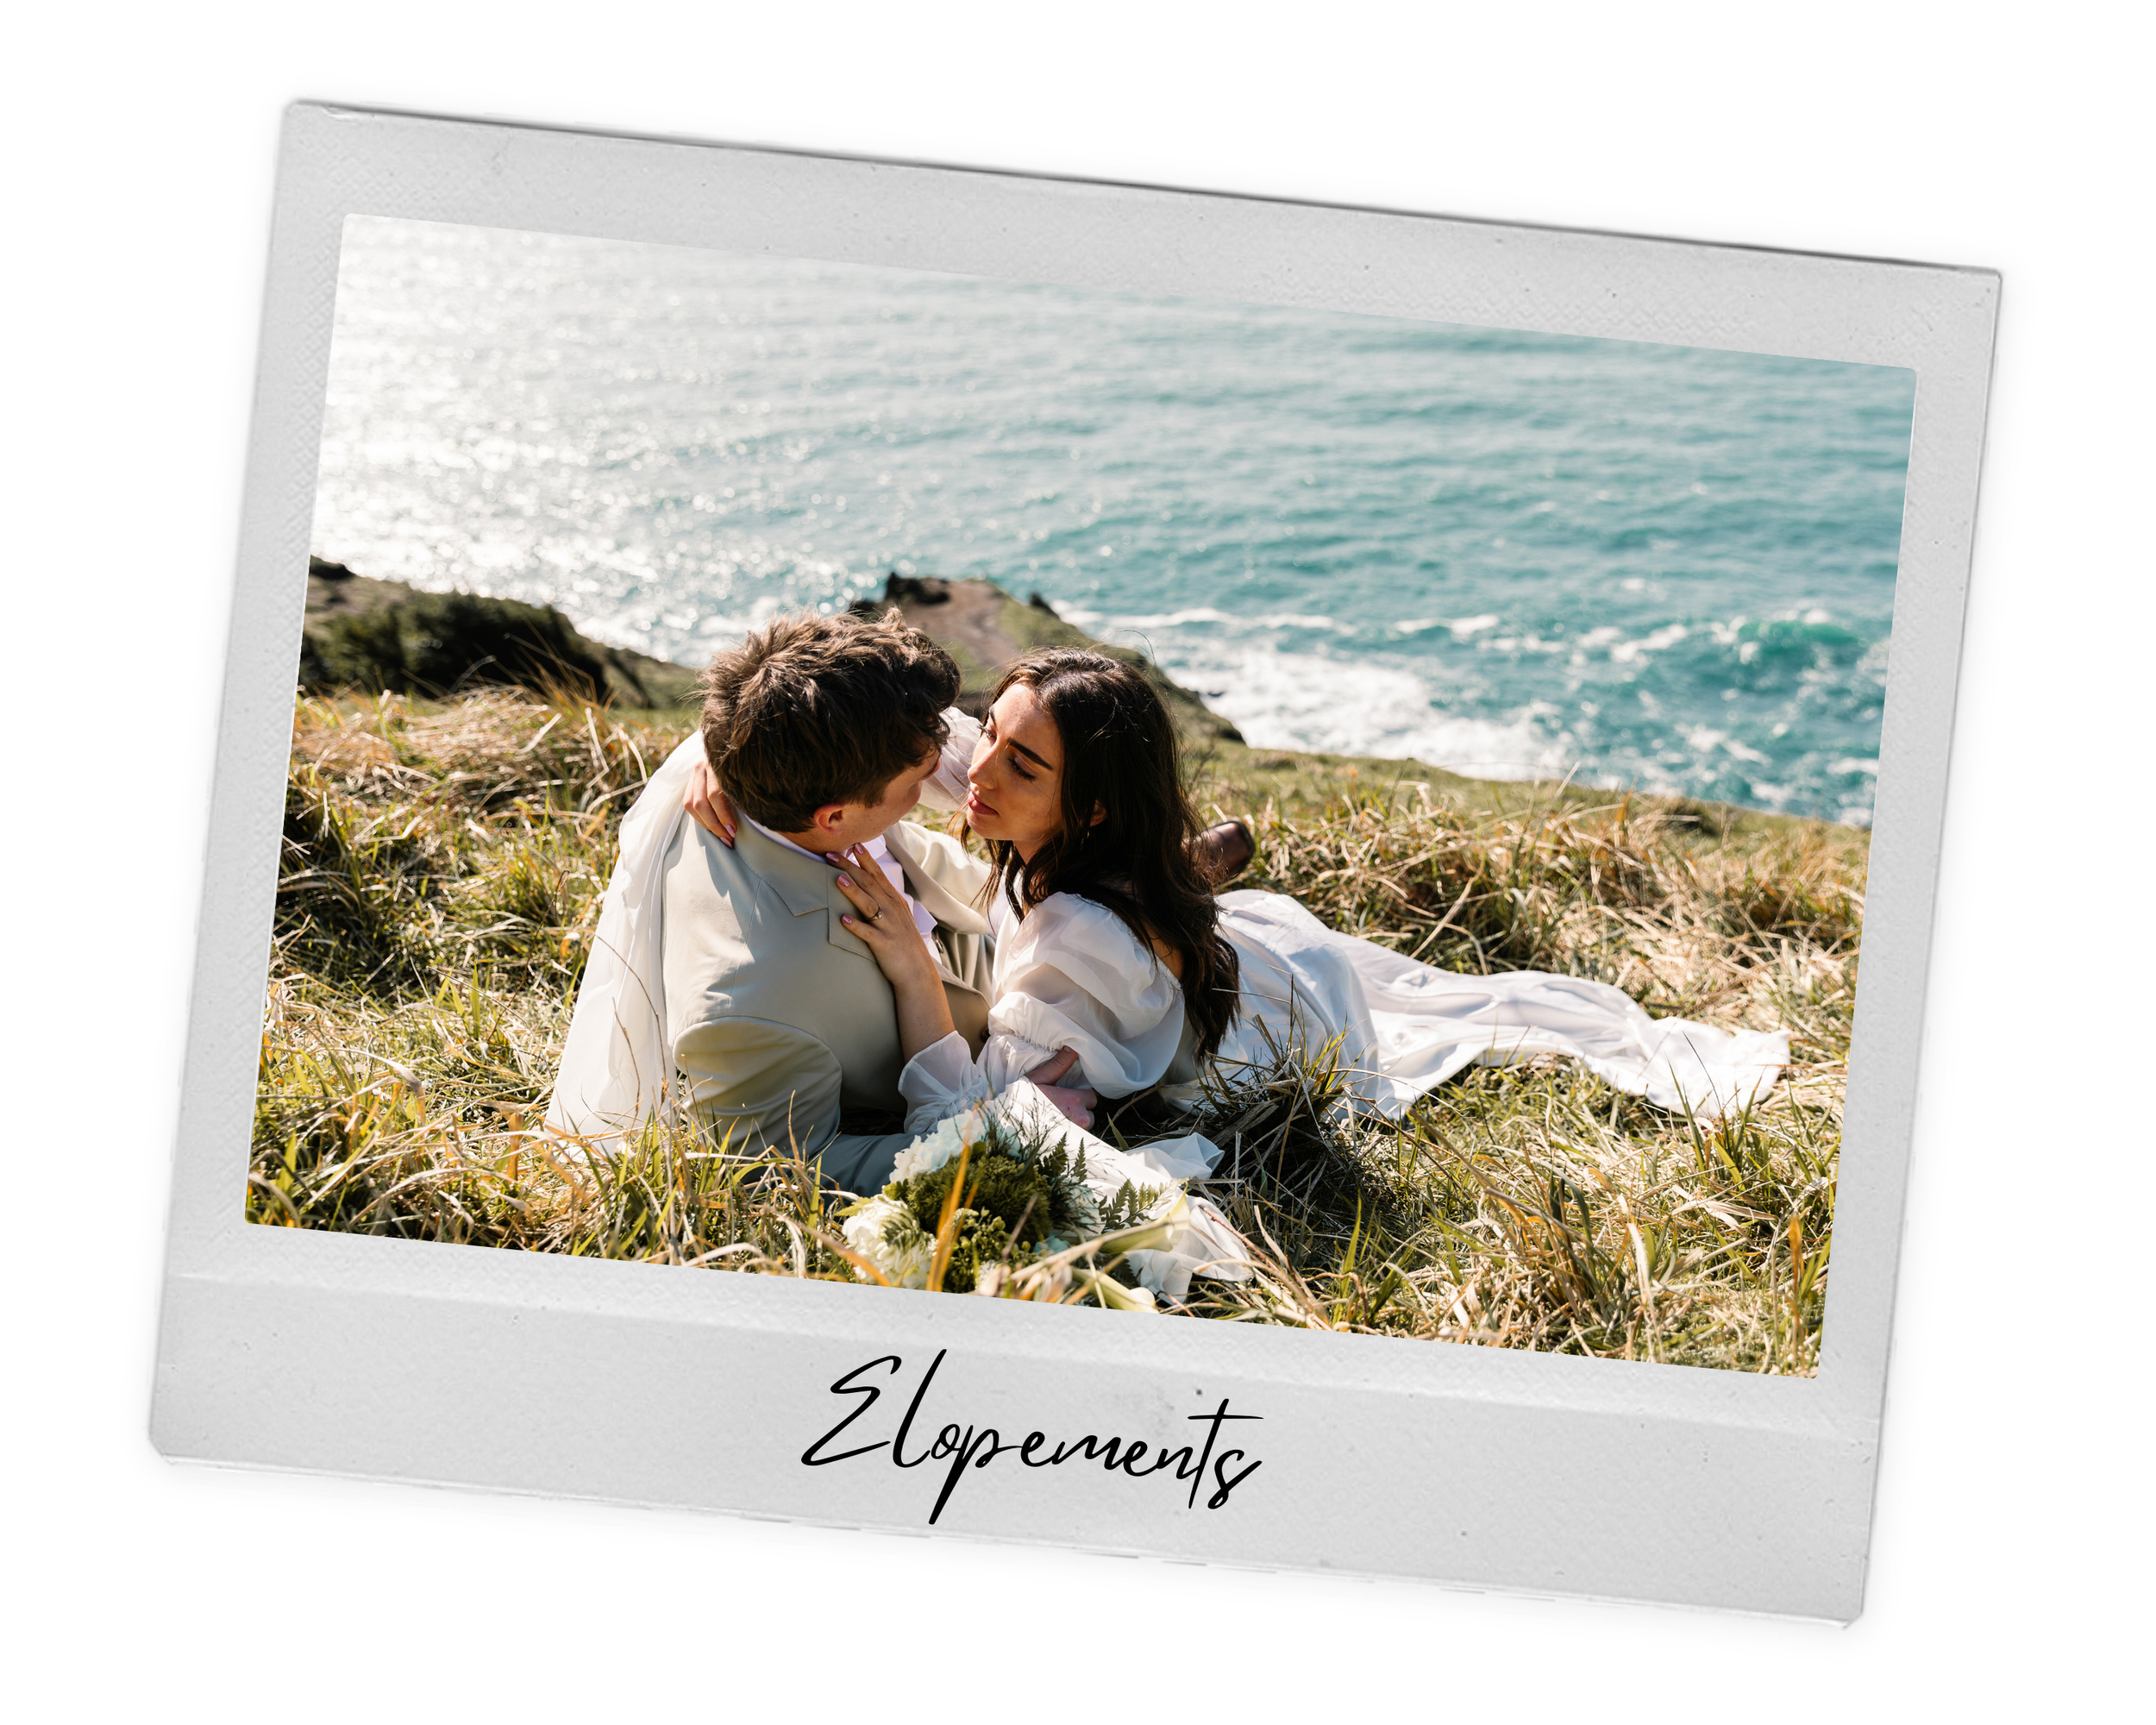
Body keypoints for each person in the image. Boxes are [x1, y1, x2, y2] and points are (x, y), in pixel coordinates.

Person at [743, 647, 1790, 1145]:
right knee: (1174, 907)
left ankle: (1182, 885)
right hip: (1247, 944)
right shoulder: (1022, 790)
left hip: (1270, 1018)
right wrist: (730, 750)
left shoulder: (1069, 943)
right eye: (994, 734)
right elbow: (926, 747)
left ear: (1090, 809)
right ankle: (1187, 869)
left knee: (1443, 1015)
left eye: (1020, 768)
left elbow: (985, 1114)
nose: (978, 773)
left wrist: (914, 970)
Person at [544, 609, 1247, 1194]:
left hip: (1029, 930)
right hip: (1022, 990)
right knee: (1092, 913)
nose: (963, 769)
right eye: (919, 777)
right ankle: (1155, 886)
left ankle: (1153, 882)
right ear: (834, 816)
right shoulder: (749, 1007)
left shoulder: (777, 767)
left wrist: (720, 745)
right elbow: (771, 1172)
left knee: (1100, 907)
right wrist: (996, 1137)